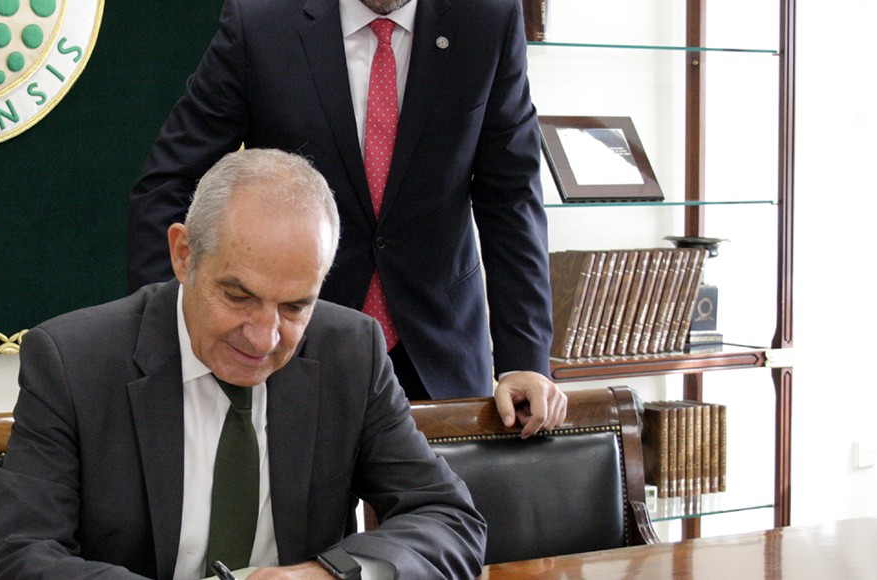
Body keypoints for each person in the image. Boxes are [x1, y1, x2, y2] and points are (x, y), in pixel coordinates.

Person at [0, 149, 486, 579]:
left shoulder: (350, 351)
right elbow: (11, 557)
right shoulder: (74, 361)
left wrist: (330, 574)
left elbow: (448, 518)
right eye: (238, 296)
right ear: (183, 254)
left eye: (295, 306)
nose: (265, 337)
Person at [126, 0, 562, 410]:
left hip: (439, 351)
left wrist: (522, 359)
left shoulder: (486, 17)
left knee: (438, 492)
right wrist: (172, 342)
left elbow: (511, 197)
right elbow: (170, 185)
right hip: (287, 345)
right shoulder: (261, 22)